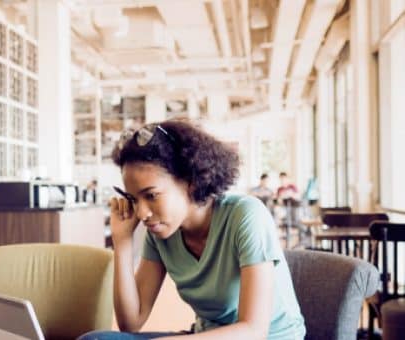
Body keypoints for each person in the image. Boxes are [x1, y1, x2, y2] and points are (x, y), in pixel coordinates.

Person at [79, 121, 305, 340]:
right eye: (133, 199)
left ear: (191, 182)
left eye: (151, 196)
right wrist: (123, 242)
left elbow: (254, 331)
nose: (141, 213)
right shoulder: (161, 234)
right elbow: (131, 322)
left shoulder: (245, 216)